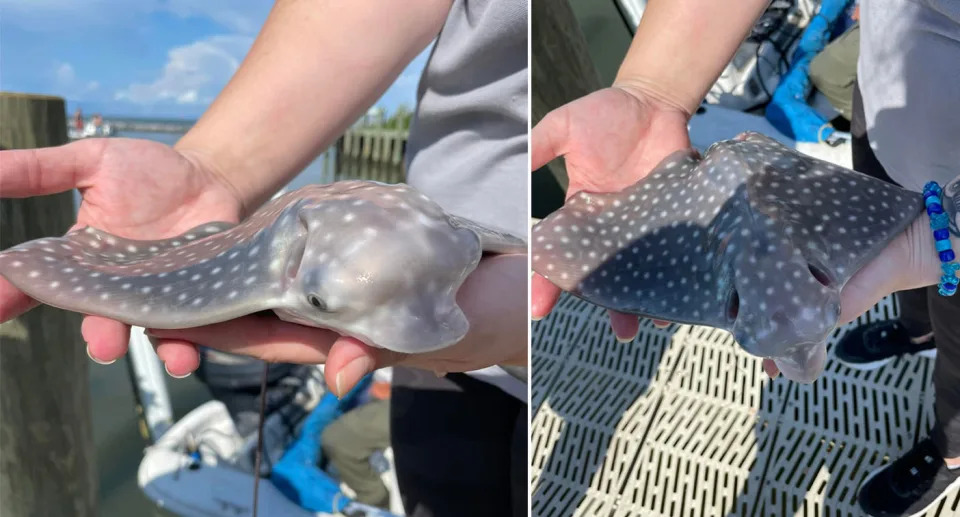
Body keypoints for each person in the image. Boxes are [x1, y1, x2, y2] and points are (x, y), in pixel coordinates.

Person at [0, 1, 527, 516]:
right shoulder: (290, 256)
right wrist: (210, 167)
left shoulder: (465, 250)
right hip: (448, 379)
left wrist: (507, 299)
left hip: (479, 276)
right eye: (322, 298)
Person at [530, 1, 959, 516]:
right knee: (909, 279)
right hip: (887, 90)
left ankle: (953, 447)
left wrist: (934, 243)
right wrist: (652, 90)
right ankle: (916, 329)